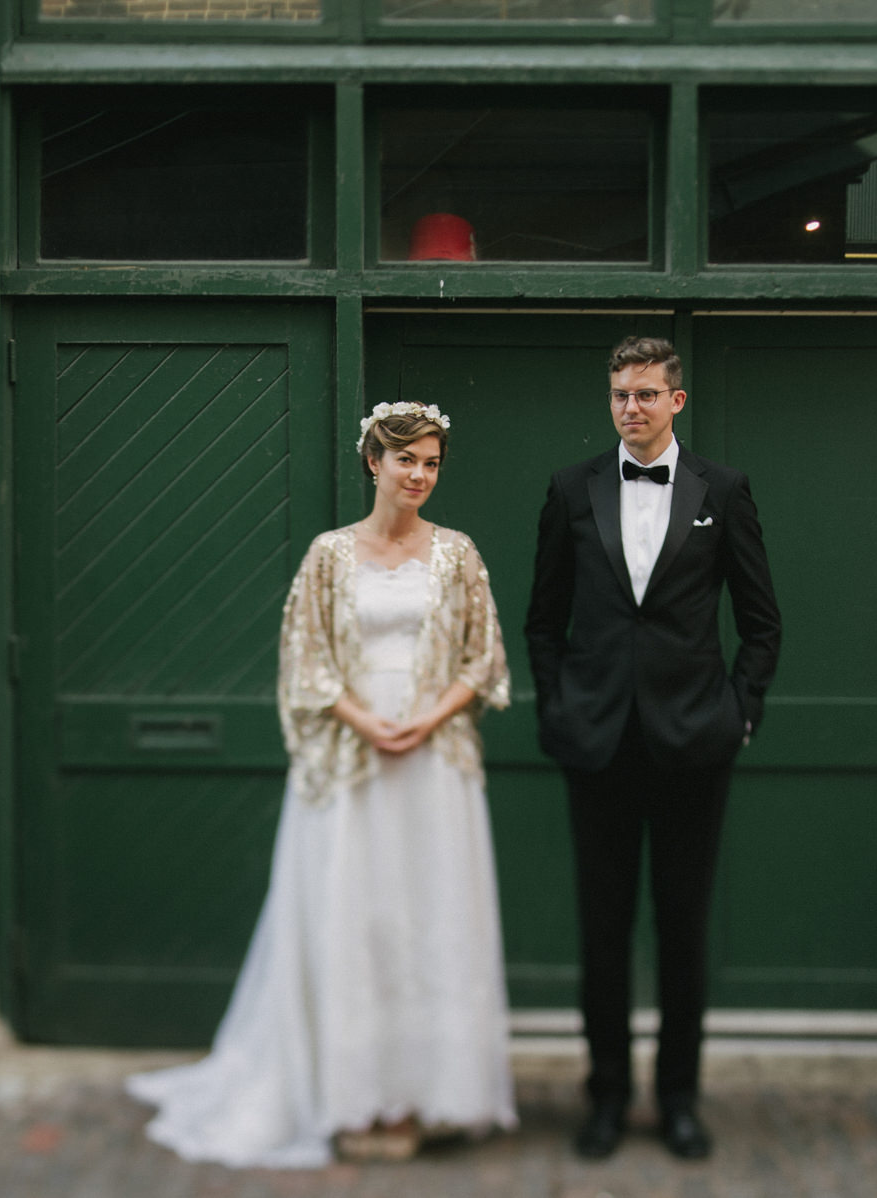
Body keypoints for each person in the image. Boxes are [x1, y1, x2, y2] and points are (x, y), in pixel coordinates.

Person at [128, 401, 516, 1167]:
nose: (420, 475)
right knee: (357, 920)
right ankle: (352, 1095)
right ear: (374, 461)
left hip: (434, 766)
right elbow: (303, 660)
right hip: (354, 763)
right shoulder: (329, 556)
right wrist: (367, 722)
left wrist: (429, 719)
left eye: (432, 463)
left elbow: (484, 659)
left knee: (429, 919)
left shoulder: (459, 554)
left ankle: (423, 1093)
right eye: (408, 459)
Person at [524, 336, 781, 1162]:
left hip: (692, 746)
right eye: (618, 394)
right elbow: (542, 620)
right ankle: (604, 1098)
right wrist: (558, 708)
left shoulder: (725, 491)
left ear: (676, 400)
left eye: (645, 394)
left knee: (682, 929)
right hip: (596, 745)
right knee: (603, 932)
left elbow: (762, 621)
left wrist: (739, 713)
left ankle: (677, 1100)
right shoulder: (571, 490)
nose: (630, 407)